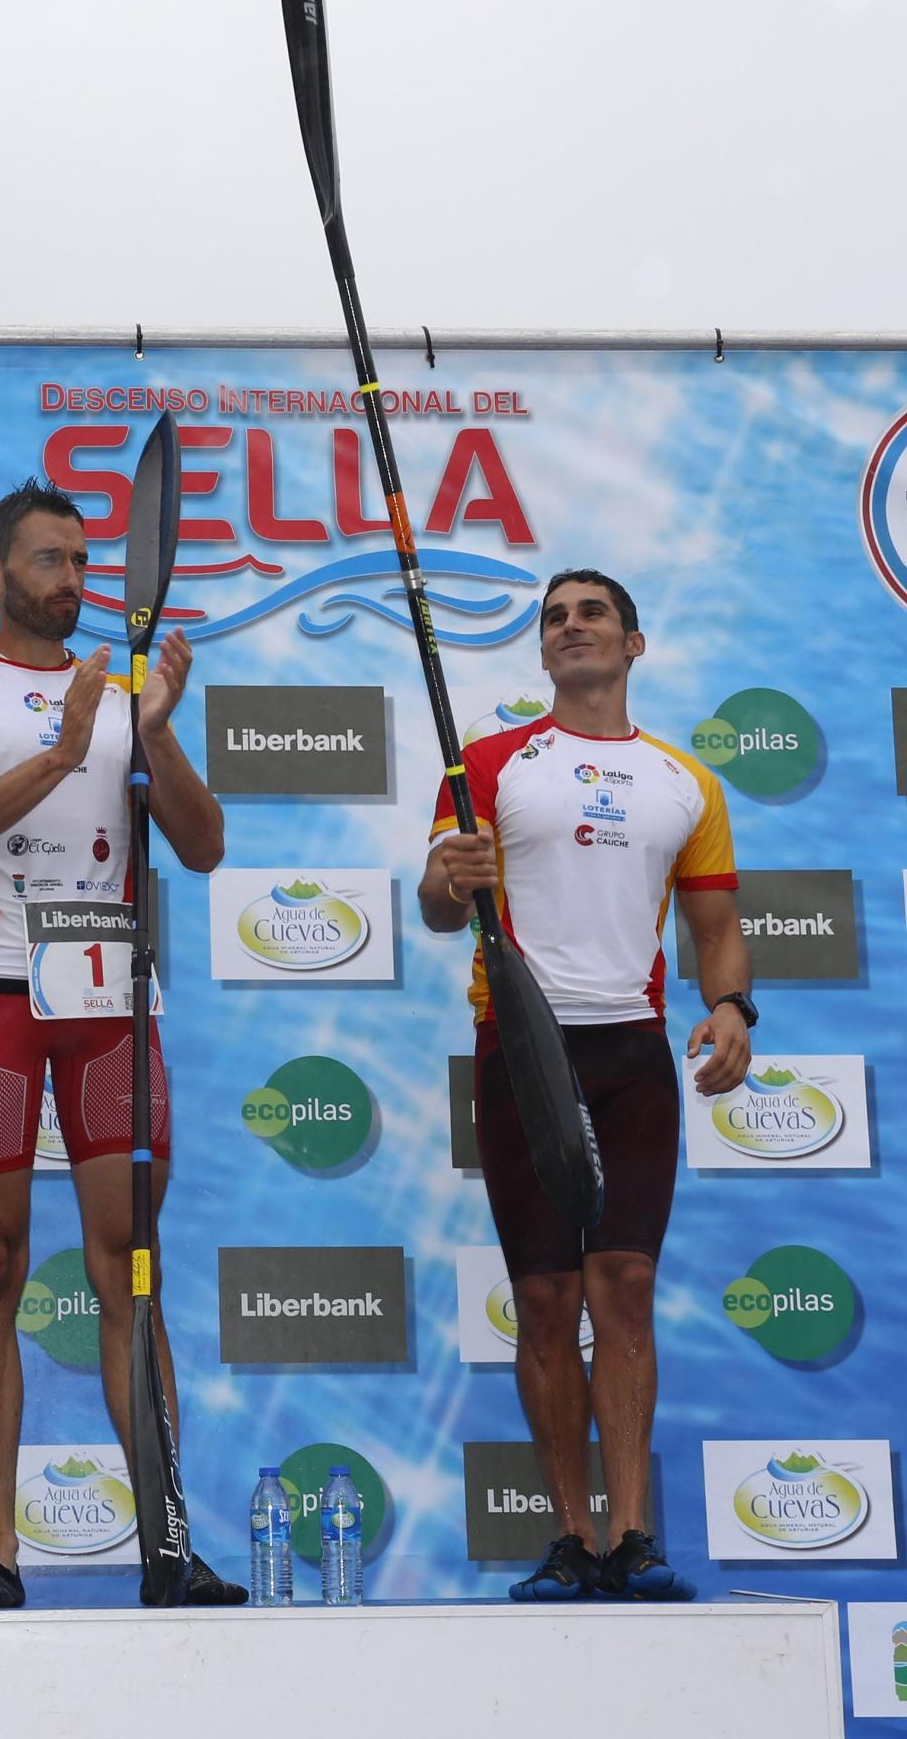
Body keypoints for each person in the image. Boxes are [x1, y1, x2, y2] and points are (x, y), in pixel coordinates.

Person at [0, 478, 246, 1609]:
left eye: (82, 563)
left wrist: (154, 738)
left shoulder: (129, 692)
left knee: (128, 1270)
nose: (73, 582)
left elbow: (202, 848)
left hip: (110, 1009)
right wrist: (60, 751)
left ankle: (167, 1543)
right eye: (48, 561)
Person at [419, 568, 755, 1603]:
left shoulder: (686, 781)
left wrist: (735, 1009)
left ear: (633, 644)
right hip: (523, 1049)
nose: (572, 628)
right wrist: (450, 875)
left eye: (591, 613)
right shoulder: (485, 765)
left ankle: (634, 1538)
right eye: (555, 618)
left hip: (633, 1053)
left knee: (628, 1290)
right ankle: (571, 1537)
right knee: (545, 1295)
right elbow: (436, 905)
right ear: (543, 652)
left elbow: (715, 927)